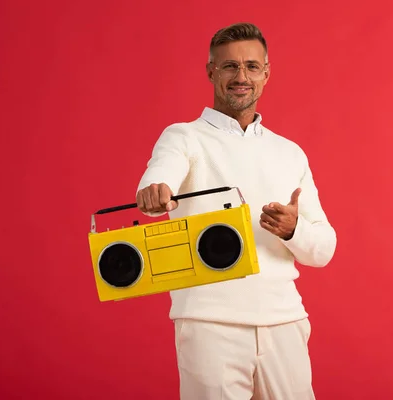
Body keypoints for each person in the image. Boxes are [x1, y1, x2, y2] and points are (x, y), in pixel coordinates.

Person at [136, 22, 337, 400]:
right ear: (211, 71)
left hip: (284, 321)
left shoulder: (289, 152)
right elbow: (161, 176)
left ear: (266, 72)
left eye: (251, 66)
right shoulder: (183, 137)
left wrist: (294, 230)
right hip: (209, 323)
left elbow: (324, 250)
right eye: (229, 66)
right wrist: (156, 190)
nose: (240, 76)